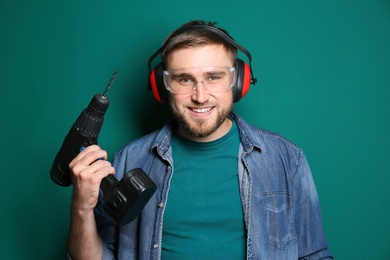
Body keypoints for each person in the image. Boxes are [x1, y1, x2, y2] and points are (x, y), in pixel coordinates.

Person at [67, 20, 333, 259]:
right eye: (184, 79)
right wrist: (82, 207)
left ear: (239, 81)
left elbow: (314, 255)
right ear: (162, 87)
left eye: (214, 77)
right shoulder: (130, 159)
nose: (200, 96)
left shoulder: (285, 157)